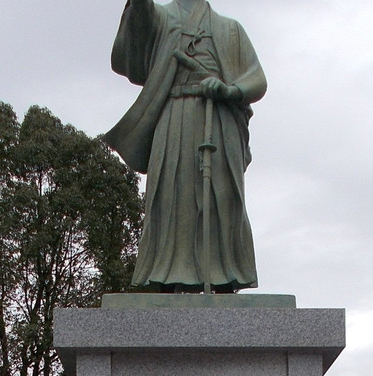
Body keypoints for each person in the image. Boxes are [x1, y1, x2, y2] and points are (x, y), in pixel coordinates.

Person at [105, 0, 267, 292]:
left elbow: (257, 79)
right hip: (173, 118)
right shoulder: (161, 17)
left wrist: (231, 90)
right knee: (169, 195)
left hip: (218, 121)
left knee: (223, 197)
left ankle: (225, 276)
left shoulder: (230, 30)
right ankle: (165, 276)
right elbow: (139, 27)